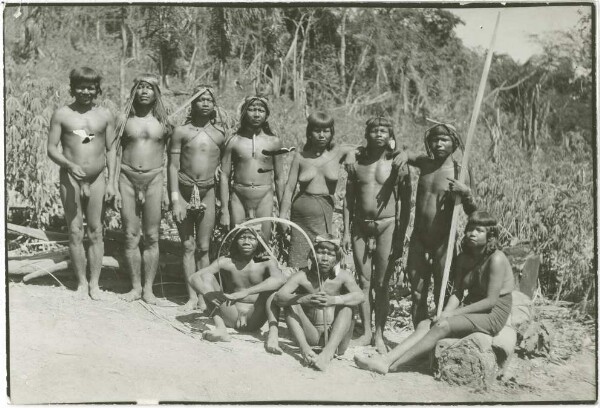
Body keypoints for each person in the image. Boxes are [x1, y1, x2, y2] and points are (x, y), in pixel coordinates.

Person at [354, 211, 514, 374]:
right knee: (426, 324)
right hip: (472, 305)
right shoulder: (463, 258)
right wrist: (446, 311)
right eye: (470, 228)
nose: (472, 233)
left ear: (490, 235)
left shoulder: (496, 259)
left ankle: (392, 365)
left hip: (493, 313)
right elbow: (458, 292)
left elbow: (490, 301)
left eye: (479, 230)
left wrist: (452, 315)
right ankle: (387, 360)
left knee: (442, 325)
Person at [393, 123, 477, 326]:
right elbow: (407, 154)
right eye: (435, 140)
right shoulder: (424, 163)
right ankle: (418, 337)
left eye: (444, 140)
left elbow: (473, 212)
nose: (438, 144)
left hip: (444, 241)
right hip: (419, 238)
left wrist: (466, 193)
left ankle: (438, 340)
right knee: (417, 291)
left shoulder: (461, 171)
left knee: (443, 292)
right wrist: (404, 154)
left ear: (454, 143)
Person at [343, 117, 412, 353]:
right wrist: (345, 231)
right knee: (363, 281)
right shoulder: (356, 162)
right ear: (367, 133)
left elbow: (405, 203)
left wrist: (401, 236)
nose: (379, 134)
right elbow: (348, 200)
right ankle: (366, 332)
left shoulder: (398, 163)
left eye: (384, 130)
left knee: (382, 284)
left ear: (390, 134)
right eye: (374, 130)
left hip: (387, 225)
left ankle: (380, 335)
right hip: (360, 226)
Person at [47, 67, 116, 299]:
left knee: (96, 231)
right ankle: (81, 283)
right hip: (70, 178)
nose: (86, 91)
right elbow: (51, 149)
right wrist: (68, 165)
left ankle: (95, 284)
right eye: (81, 86)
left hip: (98, 178)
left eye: (90, 87)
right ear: (72, 87)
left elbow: (111, 149)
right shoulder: (62, 114)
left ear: (97, 88)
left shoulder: (105, 115)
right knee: (75, 230)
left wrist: (112, 182)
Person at [112, 74, 170, 305]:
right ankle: (135, 287)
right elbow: (115, 154)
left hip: (155, 179)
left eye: (150, 88)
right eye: (141, 87)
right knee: (130, 236)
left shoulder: (164, 123)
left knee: (152, 236)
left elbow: (172, 160)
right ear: (134, 90)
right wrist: (113, 185)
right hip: (127, 178)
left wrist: (167, 189)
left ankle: (149, 289)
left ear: (156, 93)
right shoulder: (123, 119)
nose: (145, 91)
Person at [168, 85, 226, 312]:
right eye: (199, 99)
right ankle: (191, 296)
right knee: (187, 245)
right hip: (183, 191)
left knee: (204, 247)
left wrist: (222, 201)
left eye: (209, 100)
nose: (204, 103)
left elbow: (225, 170)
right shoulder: (181, 132)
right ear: (192, 104)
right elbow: (172, 167)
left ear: (214, 106)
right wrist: (174, 199)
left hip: (208, 192)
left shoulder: (220, 135)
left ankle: (204, 296)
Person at [279, 111, 358, 268]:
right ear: (309, 133)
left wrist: (351, 154)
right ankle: (298, 288)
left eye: (326, 131)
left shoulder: (338, 153)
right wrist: (282, 216)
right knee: (298, 259)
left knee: (323, 253)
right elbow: (289, 188)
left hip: (323, 212)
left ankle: (320, 289)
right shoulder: (301, 157)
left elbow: (362, 148)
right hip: (300, 214)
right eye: (317, 131)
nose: (322, 135)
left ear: (332, 132)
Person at [188, 226, 285, 353]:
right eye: (242, 238)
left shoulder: (267, 262)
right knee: (207, 276)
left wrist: (245, 292)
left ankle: (273, 335)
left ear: (259, 242)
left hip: (255, 315)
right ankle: (220, 328)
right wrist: (208, 295)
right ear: (235, 241)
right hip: (230, 313)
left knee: (273, 289)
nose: (246, 242)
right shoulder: (226, 261)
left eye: (251, 238)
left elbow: (280, 280)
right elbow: (193, 277)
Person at [275, 235, 364, 371]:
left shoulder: (343, 276)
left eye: (330, 254)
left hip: (337, 340)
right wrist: (303, 298)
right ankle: (304, 349)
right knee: (290, 304)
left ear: (337, 259)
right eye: (321, 252)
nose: (325, 258)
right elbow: (279, 297)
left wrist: (333, 300)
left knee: (348, 307)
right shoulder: (302, 276)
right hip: (311, 336)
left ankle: (327, 353)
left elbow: (360, 296)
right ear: (312, 255)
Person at [219, 95, 285, 240]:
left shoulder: (274, 142)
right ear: (244, 112)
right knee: (238, 240)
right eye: (252, 109)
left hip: (264, 197)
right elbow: (224, 175)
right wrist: (224, 209)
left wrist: (283, 210)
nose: (256, 114)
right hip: (239, 196)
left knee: (263, 242)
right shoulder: (234, 141)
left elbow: (279, 178)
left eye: (261, 110)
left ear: (267, 115)